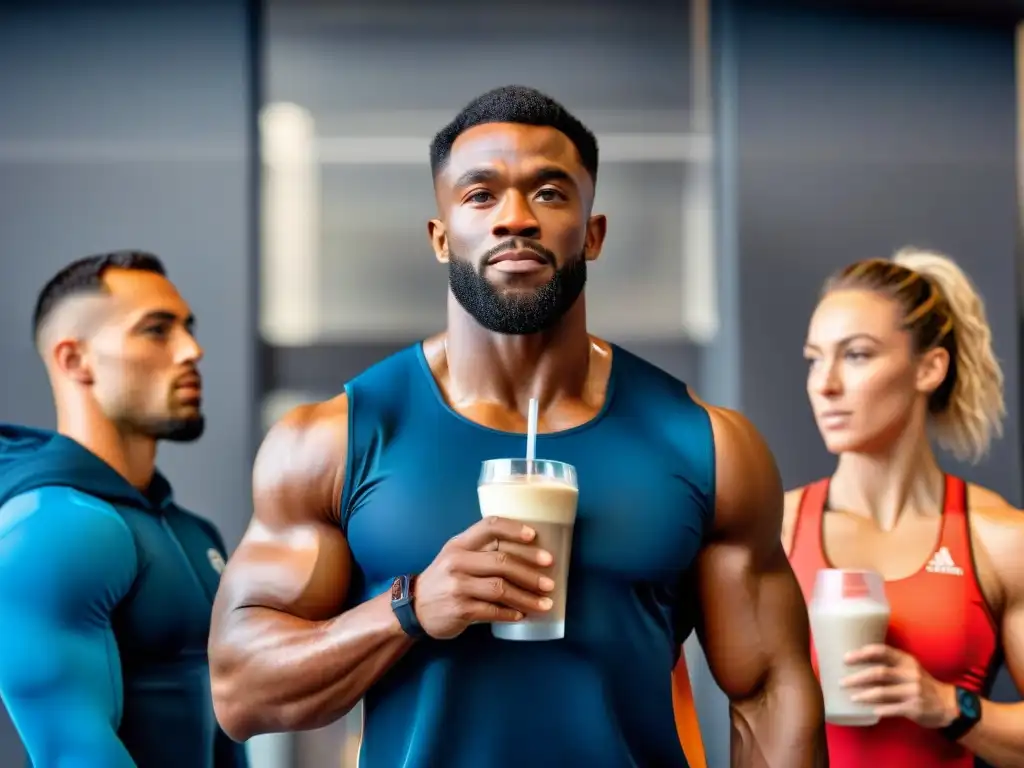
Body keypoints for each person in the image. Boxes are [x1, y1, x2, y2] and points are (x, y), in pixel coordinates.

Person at [209, 84, 826, 767]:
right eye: (481, 195)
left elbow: (771, 696)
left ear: (592, 234)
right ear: (441, 238)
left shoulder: (704, 444)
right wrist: (411, 610)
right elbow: (242, 692)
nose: (516, 219)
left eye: (550, 193)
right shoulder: (333, 440)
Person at [0, 251, 249, 768]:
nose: (192, 349)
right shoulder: (52, 526)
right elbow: (71, 752)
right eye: (157, 331)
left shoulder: (190, 532)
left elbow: (225, 733)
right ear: (75, 360)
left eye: (188, 328)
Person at [785, 247, 1024, 767]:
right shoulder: (775, 531)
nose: (824, 385)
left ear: (929, 368)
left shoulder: (1000, 538)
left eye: (857, 355)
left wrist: (944, 704)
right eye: (814, 358)